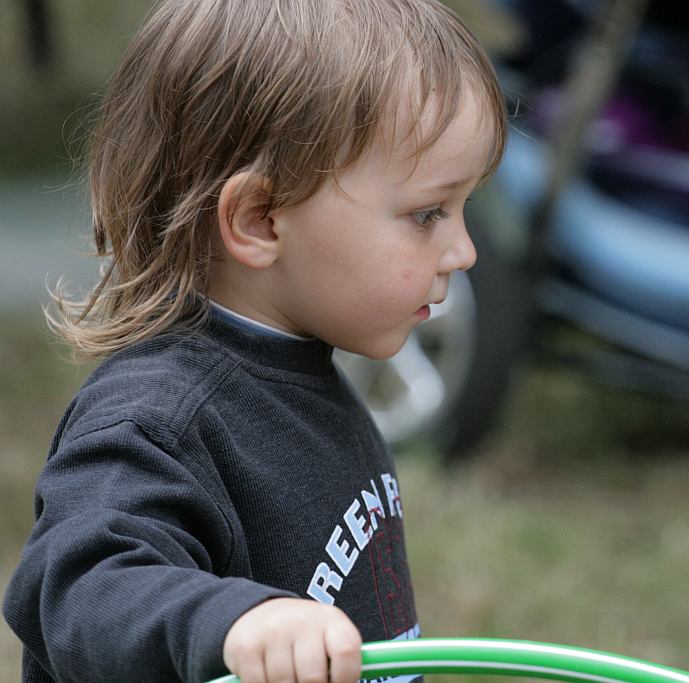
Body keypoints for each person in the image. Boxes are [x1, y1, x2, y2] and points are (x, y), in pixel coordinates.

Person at [2, 0, 506, 681]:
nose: (464, 252)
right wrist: (233, 622)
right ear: (260, 220)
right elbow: (75, 584)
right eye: (427, 214)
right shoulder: (158, 417)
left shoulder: (307, 373)